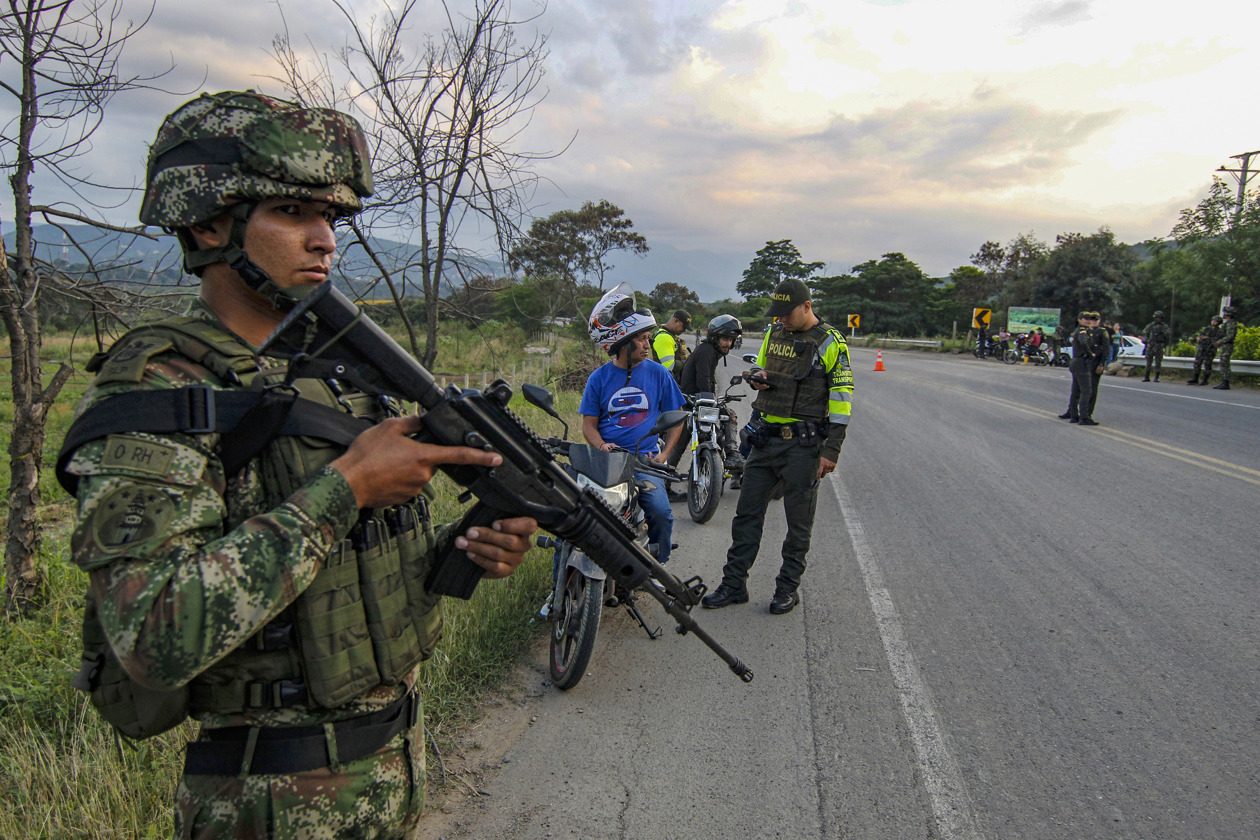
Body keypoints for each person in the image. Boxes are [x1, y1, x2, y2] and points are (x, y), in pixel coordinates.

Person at [58, 91, 536, 839]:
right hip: (268, 803)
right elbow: (153, 636)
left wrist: (460, 553)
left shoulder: (333, 374)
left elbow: (341, 579)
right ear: (208, 220)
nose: (324, 240)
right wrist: (346, 488)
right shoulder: (164, 386)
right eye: (291, 212)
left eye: (333, 219)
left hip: (387, 776)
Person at [701, 278, 853, 615]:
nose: (781, 319)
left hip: (804, 446)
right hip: (765, 439)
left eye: (787, 313)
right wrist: (758, 377)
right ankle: (734, 584)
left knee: (798, 524)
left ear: (807, 307)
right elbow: (766, 369)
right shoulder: (776, 332)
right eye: (778, 313)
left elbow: (842, 399)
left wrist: (831, 451)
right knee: (746, 516)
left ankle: (787, 589)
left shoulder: (831, 342)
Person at [581, 284, 686, 564]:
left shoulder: (658, 374)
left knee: (661, 513)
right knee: (578, 516)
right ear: (622, 343)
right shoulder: (598, 378)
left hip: (644, 460)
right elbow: (589, 425)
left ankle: (659, 566)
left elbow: (676, 419)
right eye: (640, 339)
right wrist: (601, 445)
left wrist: (663, 456)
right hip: (607, 461)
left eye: (648, 338)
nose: (647, 344)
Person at [679, 314, 745, 472]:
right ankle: (731, 453)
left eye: (730, 340)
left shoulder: (709, 350)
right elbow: (704, 379)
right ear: (715, 337)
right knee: (729, 415)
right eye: (725, 339)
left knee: (681, 442)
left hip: (691, 400)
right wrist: (711, 400)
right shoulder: (707, 351)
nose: (728, 343)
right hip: (695, 400)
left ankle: (692, 473)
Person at [1059, 310, 1108, 426]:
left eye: (1093, 319)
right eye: (1087, 319)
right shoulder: (1083, 331)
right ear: (1079, 320)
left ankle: (1082, 414)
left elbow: (1106, 349)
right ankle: (1080, 415)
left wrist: (1101, 364)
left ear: (1099, 321)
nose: (1090, 321)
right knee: (1083, 391)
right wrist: (1090, 353)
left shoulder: (1102, 332)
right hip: (1083, 362)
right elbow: (1083, 343)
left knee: (1088, 390)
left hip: (1092, 363)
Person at [651, 309, 691, 385]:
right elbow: (669, 366)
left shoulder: (671, 336)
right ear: (676, 321)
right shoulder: (664, 338)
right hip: (666, 384)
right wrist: (688, 362)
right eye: (684, 327)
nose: (684, 330)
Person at [1188, 315, 1223, 386]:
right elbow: (1200, 336)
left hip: (1210, 349)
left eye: (1215, 321)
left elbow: (1216, 340)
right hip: (1202, 347)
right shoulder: (1207, 329)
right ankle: (1195, 378)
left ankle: (1205, 380)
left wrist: (1207, 338)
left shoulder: (1219, 331)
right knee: (1197, 363)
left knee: (1207, 364)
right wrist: (1202, 338)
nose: (1213, 322)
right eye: (1213, 320)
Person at [1213, 306, 1241, 390]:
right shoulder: (1228, 323)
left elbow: (1230, 336)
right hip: (1225, 345)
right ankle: (1224, 381)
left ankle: (1226, 382)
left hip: (1227, 345)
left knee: (1225, 363)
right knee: (1223, 363)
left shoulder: (1231, 324)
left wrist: (1220, 341)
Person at [1143, 310, 1171, 382]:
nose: (1158, 319)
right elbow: (1145, 333)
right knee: (1149, 360)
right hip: (1151, 344)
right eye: (1157, 317)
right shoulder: (1151, 325)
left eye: (1159, 318)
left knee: (1158, 361)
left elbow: (1168, 334)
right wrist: (1147, 340)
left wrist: (1162, 332)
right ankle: (1147, 376)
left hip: (1159, 345)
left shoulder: (1164, 326)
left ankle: (1156, 376)